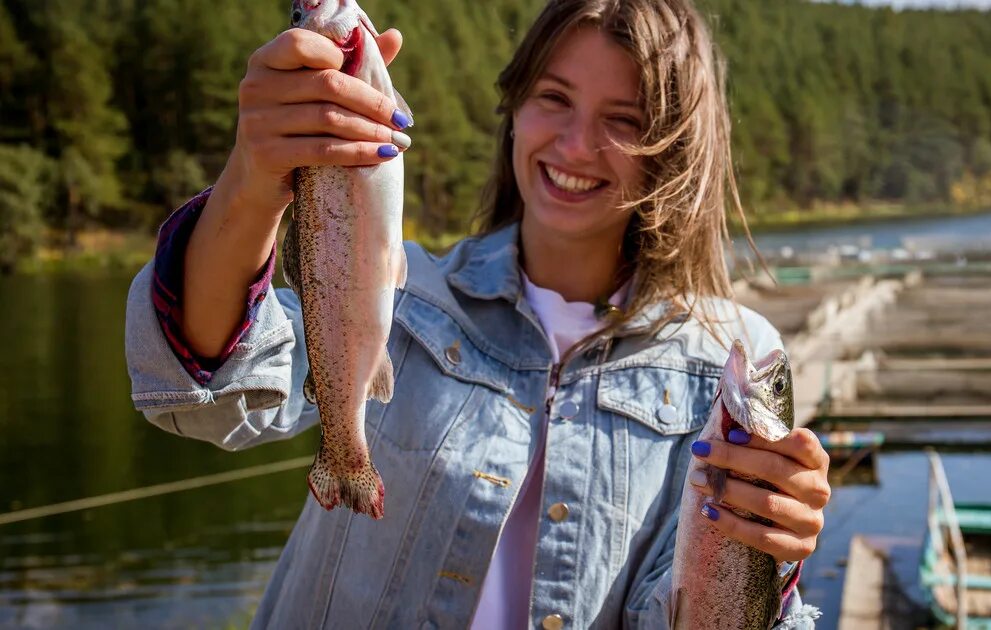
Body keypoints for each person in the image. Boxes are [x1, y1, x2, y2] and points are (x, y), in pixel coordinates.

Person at [124, 0, 829, 627]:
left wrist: (765, 557)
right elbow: (211, 394)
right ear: (514, 109)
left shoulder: (732, 360)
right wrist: (252, 182)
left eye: (624, 121)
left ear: (673, 151)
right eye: (554, 99)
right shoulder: (405, 292)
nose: (577, 146)